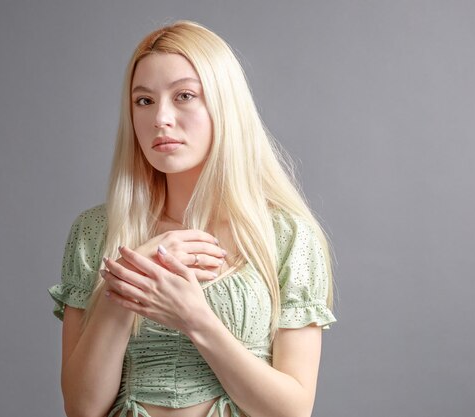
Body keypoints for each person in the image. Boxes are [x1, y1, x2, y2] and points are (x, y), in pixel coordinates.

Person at [48, 20, 336, 417]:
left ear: (224, 106)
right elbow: (81, 409)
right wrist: (125, 289)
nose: (160, 118)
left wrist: (196, 319)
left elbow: (292, 412)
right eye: (144, 101)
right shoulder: (95, 232)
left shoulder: (287, 236)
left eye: (184, 95)